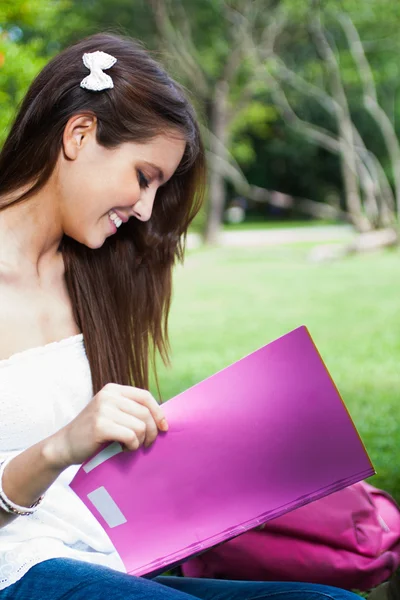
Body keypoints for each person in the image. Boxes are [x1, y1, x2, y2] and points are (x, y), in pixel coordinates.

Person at [0, 32, 362, 600]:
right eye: (144, 177)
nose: (144, 210)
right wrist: (61, 446)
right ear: (80, 133)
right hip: (17, 569)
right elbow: (60, 451)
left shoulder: (90, 276)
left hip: (113, 558)